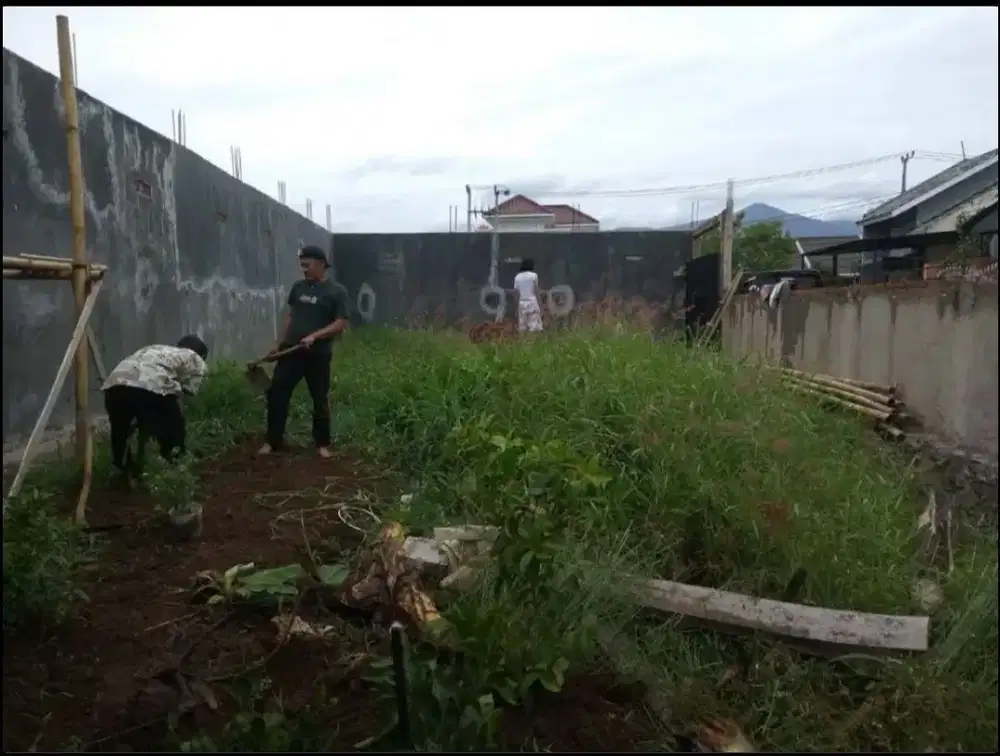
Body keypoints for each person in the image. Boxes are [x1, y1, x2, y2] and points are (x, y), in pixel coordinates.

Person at [258, 245, 350, 459]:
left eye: (307, 265)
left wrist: (315, 336)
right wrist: (280, 342)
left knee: (320, 398)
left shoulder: (336, 291)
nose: (304, 270)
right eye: (302, 266)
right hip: (291, 352)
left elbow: (340, 323)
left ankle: (322, 444)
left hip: (317, 355)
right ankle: (273, 441)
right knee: (277, 394)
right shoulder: (298, 287)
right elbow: (291, 316)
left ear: (321, 264)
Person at [102, 335, 209, 477]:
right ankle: (176, 465)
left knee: (121, 433)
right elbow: (188, 391)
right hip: (149, 386)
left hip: (115, 386)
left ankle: (120, 472)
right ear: (201, 354)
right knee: (173, 427)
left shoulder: (156, 349)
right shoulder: (195, 358)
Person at [513, 257, 544, 333]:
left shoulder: (517, 277)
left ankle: (524, 343)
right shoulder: (533, 276)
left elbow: (516, 294)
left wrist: (516, 308)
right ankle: (532, 343)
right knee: (534, 327)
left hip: (522, 304)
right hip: (532, 303)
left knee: (523, 327)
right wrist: (541, 305)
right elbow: (536, 291)